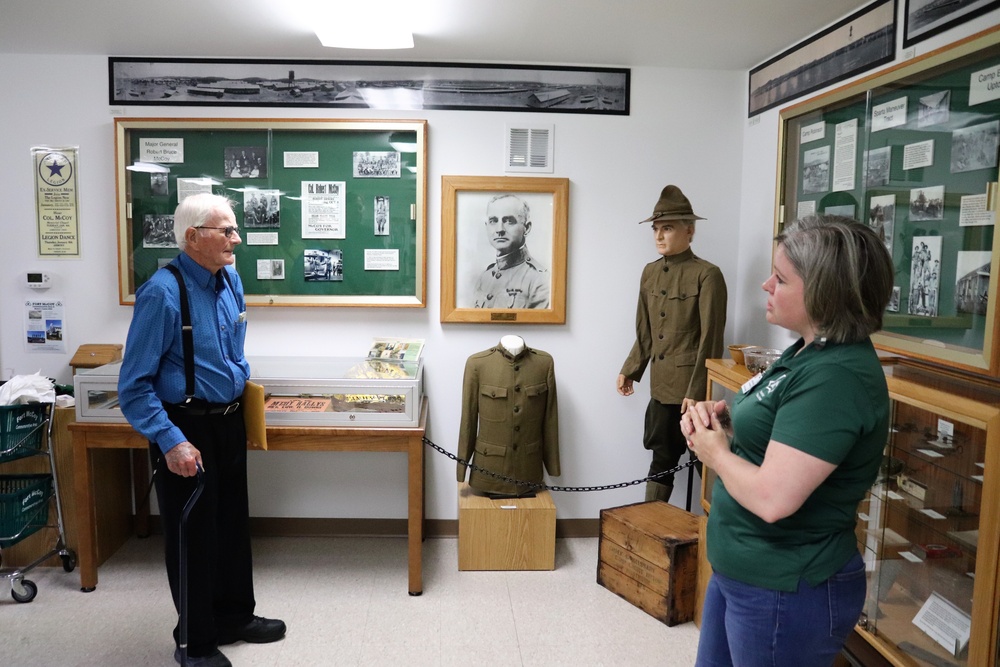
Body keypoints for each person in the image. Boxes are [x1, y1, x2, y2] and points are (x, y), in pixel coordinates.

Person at [681, 215, 894, 667]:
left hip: (784, 591)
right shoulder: (805, 351)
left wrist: (714, 453)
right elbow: (781, 426)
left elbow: (773, 498)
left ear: (824, 293)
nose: (765, 285)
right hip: (743, 573)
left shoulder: (836, 377)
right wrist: (726, 422)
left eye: (780, 279)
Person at [118, 193, 285, 667]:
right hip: (185, 428)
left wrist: (242, 395)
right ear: (193, 237)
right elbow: (134, 386)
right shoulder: (162, 293)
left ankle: (234, 616)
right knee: (194, 535)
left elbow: (232, 347)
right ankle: (194, 640)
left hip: (229, 422)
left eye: (235, 229)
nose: (237, 239)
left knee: (232, 524)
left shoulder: (229, 279)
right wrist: (170, 441)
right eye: (226, 230)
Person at [617, 184, 727, 504]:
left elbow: (711, 340)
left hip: (692, 392)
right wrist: (631, 369)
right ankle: (650, 527)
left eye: (667, 228)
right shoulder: (650, 273)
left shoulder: (707, 275)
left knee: (706, 463)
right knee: (661, 459)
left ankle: (712, 532)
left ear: (689, 231)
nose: (659, 236)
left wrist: (695, 391)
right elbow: (646, 332)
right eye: (656, 229)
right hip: (662, 389)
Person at [457, 335, 560, 498]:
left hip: (529, 471)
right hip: (488, 471)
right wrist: (461, 468)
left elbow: (550, 419)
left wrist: (552, 466)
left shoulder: (544, 363)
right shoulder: (477, 363)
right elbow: (468, 421)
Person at [472, 193, 550, 309]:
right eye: (493, 221)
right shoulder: (484, 278)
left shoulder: (540, 280)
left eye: (509, 221)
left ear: (526, 228)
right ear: (486, 226)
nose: (499, 230)